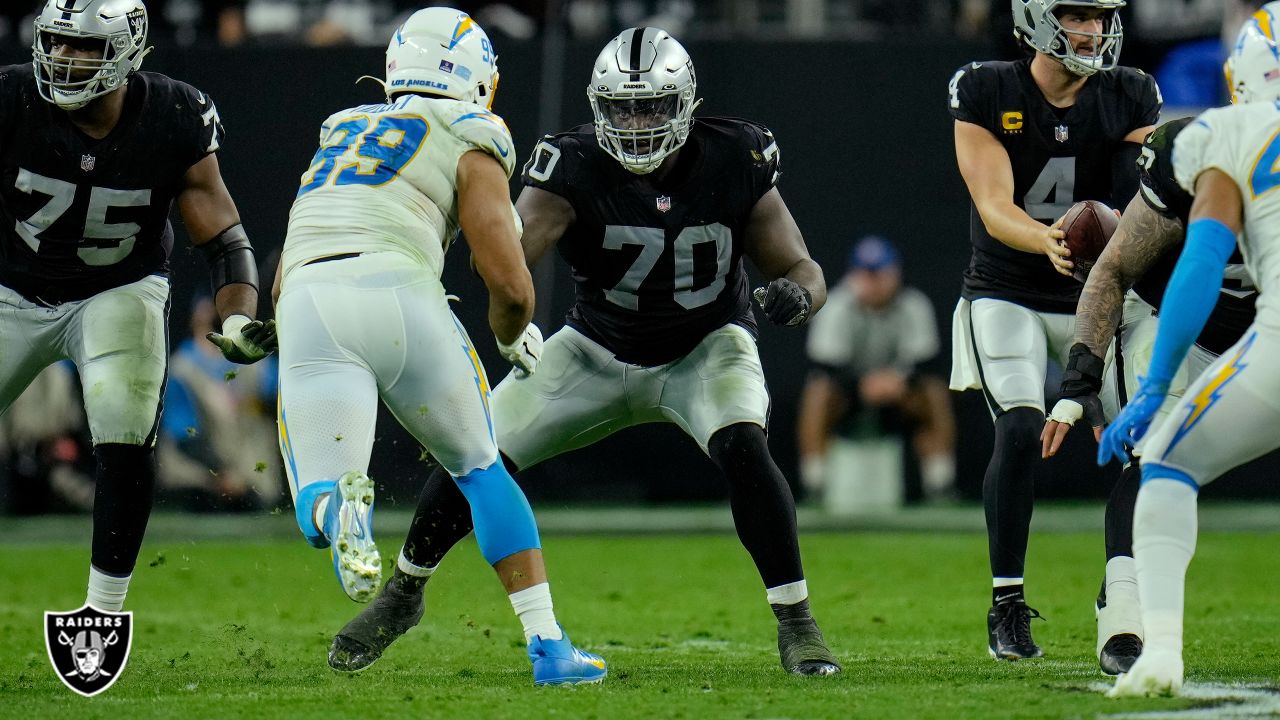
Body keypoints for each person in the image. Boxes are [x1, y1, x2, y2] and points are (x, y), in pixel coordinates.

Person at [329, 26, 840, 677]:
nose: (635, 122)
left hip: (706, 346)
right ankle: (402, 593)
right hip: (596, 349)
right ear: (600, 105)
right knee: (476, 451)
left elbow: (802, 265)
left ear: (684, 103)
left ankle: (797, 622)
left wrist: (800, 294)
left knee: (744, 446)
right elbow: (511, 252)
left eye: (650, 105)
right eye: (622, 107)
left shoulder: (735, 153)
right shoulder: (570, 162)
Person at [271, 8, 606, 686]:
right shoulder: (473, 131)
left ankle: (341, 509)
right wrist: (513, 336)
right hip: (400, 294)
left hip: (305, 296)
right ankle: (548, 648)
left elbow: (290, 260)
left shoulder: (342, 128)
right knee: (482, 469)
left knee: (314, 497)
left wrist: (265, 326)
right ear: (479, 78)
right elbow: (507, 279)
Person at [0, 0, 275, 613]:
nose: (64, 59)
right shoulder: (12, 96)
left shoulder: (173, 114)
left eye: (83, 46)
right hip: (12, 290)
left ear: (128, 51)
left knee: (123, 422)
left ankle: (103, 609)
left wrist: (234, 317)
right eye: (57, 42)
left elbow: (224, 233)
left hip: (116, 288)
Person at [948, 0, 1159, 661]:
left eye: (1100, 17)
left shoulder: (1130, 92)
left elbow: (1136, 201)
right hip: (1009, 287)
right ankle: (1007, 604)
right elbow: (992, 204)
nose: (1093, 30)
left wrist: (1104, 248)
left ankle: (1120, 598)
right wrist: (1049, 240)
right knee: (1016, 426)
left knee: (1140, 441)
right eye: (1077, 14)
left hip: (1098, 295)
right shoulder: (985, 87)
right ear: (1037, 17)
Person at [1099, 7, 1280, 696]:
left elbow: (1203, 259)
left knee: (1167, 463)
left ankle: (1162, 653)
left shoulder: (1230, 131)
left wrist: (1155, 387)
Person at [1039, 113, 1257, 673]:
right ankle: (1126, 612)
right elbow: (1120, 269)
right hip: (1185, 330)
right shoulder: (1194, 150)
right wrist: (1081, 379)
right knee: (1157, 456)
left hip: (1264, 334)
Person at [798, 235, 956, 503]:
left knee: (934, 393)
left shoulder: (913, 305)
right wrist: (863, 385)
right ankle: (815, 484)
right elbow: (825, 367)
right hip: (850, 396)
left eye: (880, 273)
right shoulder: (836, 306)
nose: (874, 282)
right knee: (818, 393)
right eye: (866, 274)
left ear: (895, 274)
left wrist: (897, 381)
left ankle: (939, 484)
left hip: (898, 396)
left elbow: (926, 364)